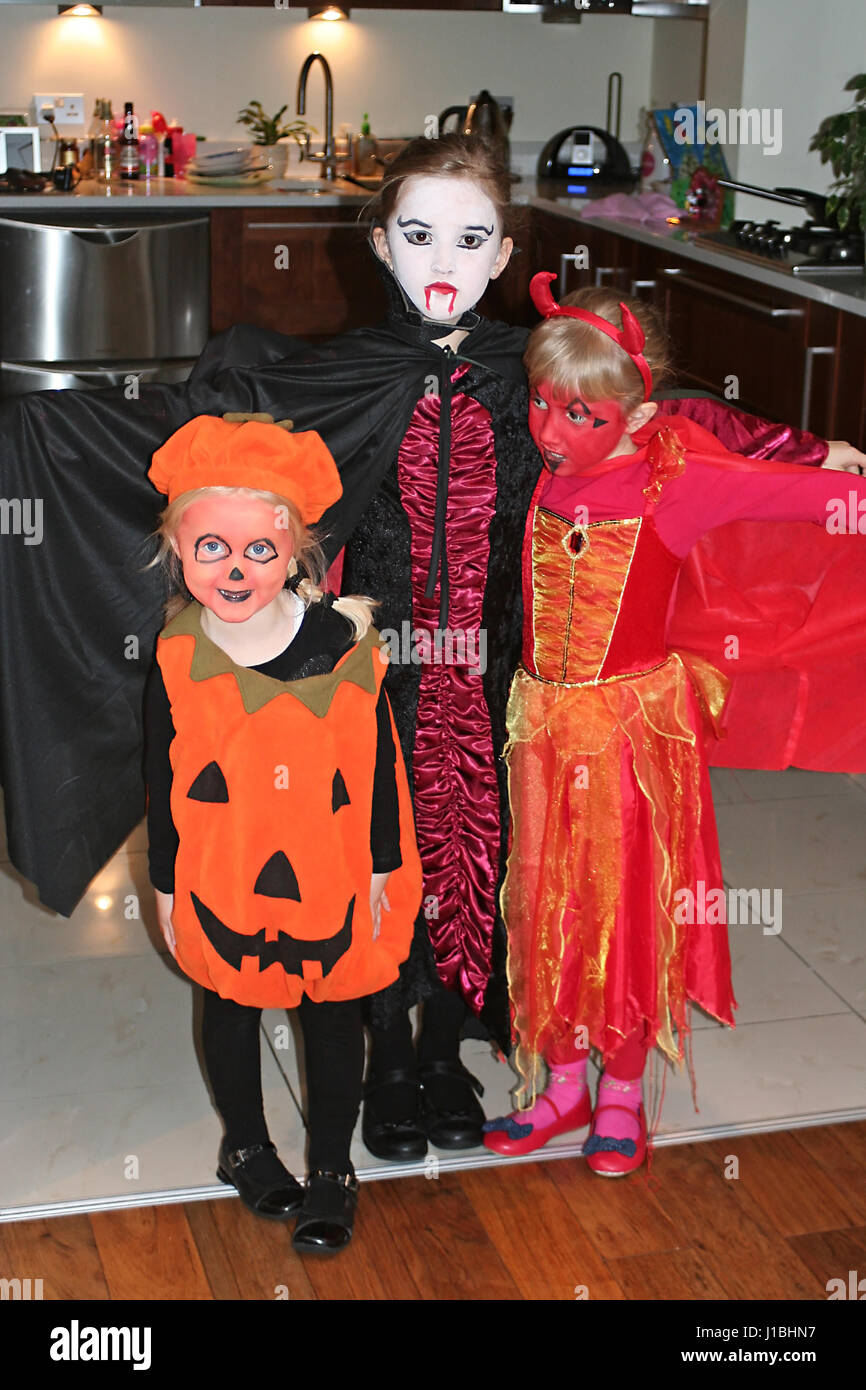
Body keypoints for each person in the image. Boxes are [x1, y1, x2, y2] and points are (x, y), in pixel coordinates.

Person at [0, 133, 861, 1160]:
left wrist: (805, 451)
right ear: (379, 243)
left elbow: (663, 413)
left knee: (484, 858)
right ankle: (384, 1063)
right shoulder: (336, 378)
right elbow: (192, 431)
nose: (442, 259)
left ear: (505, 256)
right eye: (416, 234)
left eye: (470, 237)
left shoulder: (525, 370)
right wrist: (37, 433)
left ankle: (446, 1050)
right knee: (371, 855)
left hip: (503, 672)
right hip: (377, 673)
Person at [482, 273, 866, 1176]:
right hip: (541, 726)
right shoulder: (544, 469)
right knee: (548, 901)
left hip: (629, 738)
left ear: (635, 410)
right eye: (542, 404)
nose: (551, 432)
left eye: (582, 416)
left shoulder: (676, 483)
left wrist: (833, 465)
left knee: (626, 909)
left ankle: (620, 1095)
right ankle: (562, 1081)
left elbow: (793, 498)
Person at [143, 412, 421, 1248]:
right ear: (178, 551)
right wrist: (164, 880)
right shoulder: (177, 654)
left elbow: (375, 762)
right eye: (211, 550)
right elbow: (161, 773)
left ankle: (333, 1165)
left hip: (327, 862)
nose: (233, 571)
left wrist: (379, 864)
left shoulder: (341, 645)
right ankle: (247, 1145)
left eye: (258, 550)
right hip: (224, 865)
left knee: (334, 1010)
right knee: (229, 999)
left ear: (295, 550)